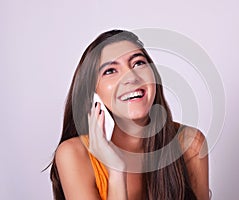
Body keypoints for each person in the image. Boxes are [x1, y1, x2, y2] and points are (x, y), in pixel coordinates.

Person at [49, 29, 209, 200]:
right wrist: (116, 171)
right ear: (92, 93)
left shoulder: (190, 144)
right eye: (110, 71)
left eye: (138, 63)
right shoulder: (74, 154)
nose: (131, 77)